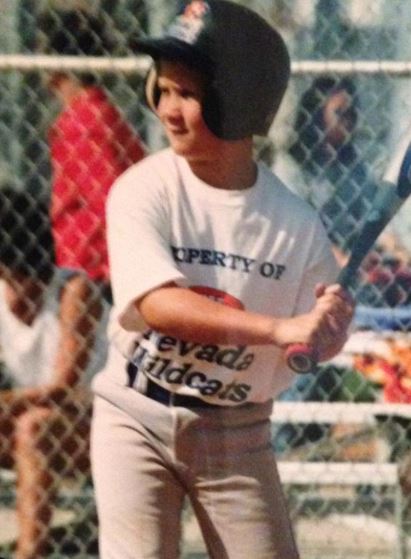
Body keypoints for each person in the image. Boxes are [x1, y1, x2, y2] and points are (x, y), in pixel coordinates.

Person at [90, 2, 354, 558]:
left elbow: (308, 347)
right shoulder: (143, 189)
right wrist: (279, 328)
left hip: (236, 431)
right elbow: (160, 304)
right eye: (162, 89)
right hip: (135, 417)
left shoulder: (296, 225)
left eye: (187, 93)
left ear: (239, 102)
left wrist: (323, 337)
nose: (169, 109)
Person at [0, 188, 109, 559]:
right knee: (30, 422)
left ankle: (31, 552)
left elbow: (63, 388)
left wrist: (7, 403)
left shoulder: (72, 291)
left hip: (100, 425)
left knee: (35, 427)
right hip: (32, 416)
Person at [38, 9, 146, 300]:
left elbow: (108, 200)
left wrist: (104, 274)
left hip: (90, 270)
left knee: (72, 344)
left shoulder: (84, 122)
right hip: (88, 265)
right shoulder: (93, 113)